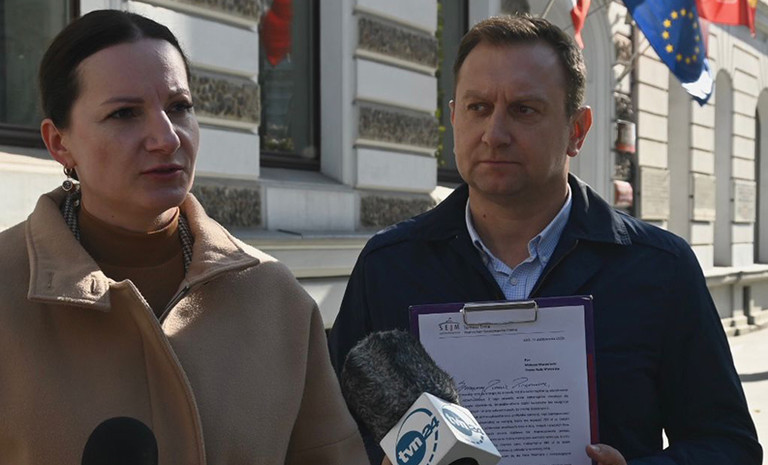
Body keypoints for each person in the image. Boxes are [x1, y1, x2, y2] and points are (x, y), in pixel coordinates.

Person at [329, 14, 762, 465]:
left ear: (577, 130)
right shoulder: (389, 266)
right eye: (478, 107)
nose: (494, 134)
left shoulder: (659, 268)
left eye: (524, 110)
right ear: (454, 117)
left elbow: (730, 446)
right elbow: (328, 437)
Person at [0, 10, 366, 465]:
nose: (166, 138)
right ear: (59, 143)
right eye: (124, 113)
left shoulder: (276, 298)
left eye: (179, 107)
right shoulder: (8, 290)